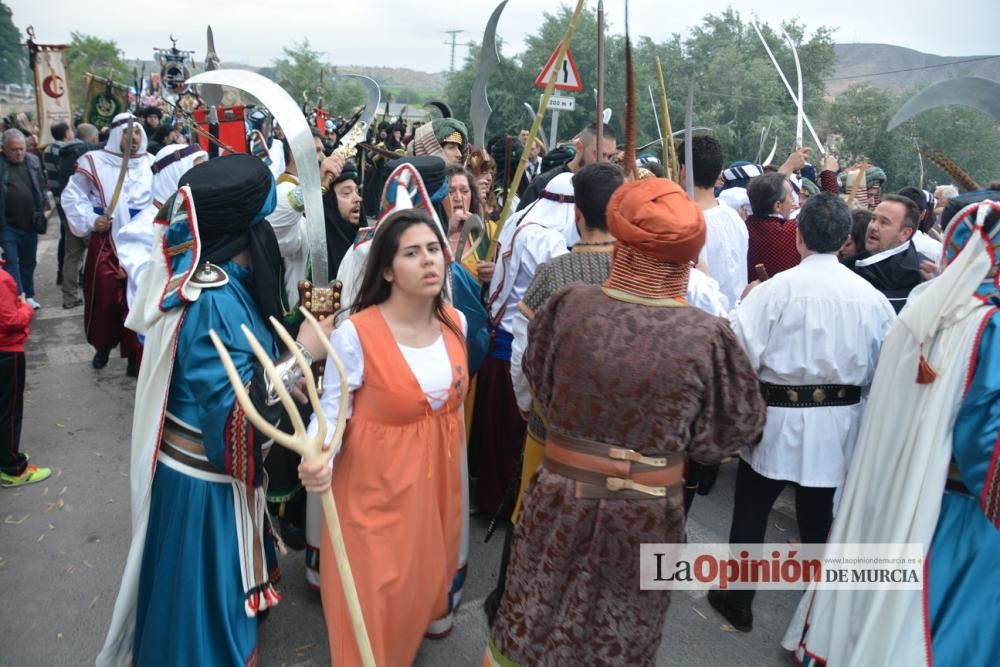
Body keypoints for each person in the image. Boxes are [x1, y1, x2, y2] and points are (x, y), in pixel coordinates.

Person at [486, 178, 766, 666]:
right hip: (648, 512)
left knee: (535, 615)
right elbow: (725, 436)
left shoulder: (567, 307)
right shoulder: (709, 337)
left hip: (560, 495)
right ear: (687, 253)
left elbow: (537, 382)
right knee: (619, 633)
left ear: (622, 238)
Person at [96, 154, 331, 666]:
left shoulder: (223, 281)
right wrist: (306, 353)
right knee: (199, 636)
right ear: (250, 229)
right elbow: (236, 420)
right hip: (202, 491)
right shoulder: (214, 300)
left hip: (210, 482)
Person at [785, 191, 1000, 666]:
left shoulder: (925, 305)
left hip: (894, 470)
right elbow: (985, 433)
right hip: (955, 501)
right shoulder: (990, 326)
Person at [709, 193, 896, 633]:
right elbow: (886, 366)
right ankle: (821, 614)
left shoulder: (776, 290)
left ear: (798, 236)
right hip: (838, 421)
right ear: (845, 239)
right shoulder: (872, 300)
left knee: (753, 509)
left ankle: (739, 600)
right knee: (817, 517)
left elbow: (737, 354)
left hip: (780, 416)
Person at [302, 206, 468, 666]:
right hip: (372, 503)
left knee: (411, 608)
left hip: (433, 502)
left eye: (434, 249)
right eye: (413, 253)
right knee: (367, 619)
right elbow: (331, 414)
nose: (430, 261)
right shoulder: (357, 333)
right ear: (388, 271)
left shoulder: (457, 322)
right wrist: (317, 456)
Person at [475, 173, 580, 517]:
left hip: (500, 341)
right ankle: (505, 507)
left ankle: (493, 500)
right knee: (510, 441)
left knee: (495, 440)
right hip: (516, 349)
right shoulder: (546, 240)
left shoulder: (521, 219)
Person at [62, 113, 153, 374]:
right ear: (115, 135)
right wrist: (91, 219)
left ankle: (135, 354)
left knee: (137, 299)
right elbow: (72, 196)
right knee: (104, 299)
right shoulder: (94, 162)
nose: (132, 138)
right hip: (108, 242)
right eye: (127, 132)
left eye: (137, 132)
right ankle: (103, 346)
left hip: (142, 242)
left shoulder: (152, 163)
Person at [117, 143, 207, 309]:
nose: (205, 180)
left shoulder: (197, 215)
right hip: (159, 324)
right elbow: (150, 285)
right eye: (197, 173)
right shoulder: (137, 231)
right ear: (174, 176)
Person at [678, 135, 748, 309]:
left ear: (683, 170)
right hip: (734, 318)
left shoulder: (686, 224)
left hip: (705, 321)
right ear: (719, 172)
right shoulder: (735, 218)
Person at [0, 246, 49, 487]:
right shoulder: (2, 280)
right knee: (9, 411)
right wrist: (26, 308)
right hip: (7, 352)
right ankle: (12, 468)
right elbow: (10, 320)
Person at [843, 193, 924, 313]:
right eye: (873, 219)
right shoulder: (851, 265)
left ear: (905, 234)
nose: (873, 227)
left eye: (884, 222)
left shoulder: (921, 277)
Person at [516, 123, 616, 211]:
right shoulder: (544, 183)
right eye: (599, 154)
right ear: (579, 147)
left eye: (610, 156)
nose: (605, 163)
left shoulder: (607, 190)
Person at [0, 129, 47, 310]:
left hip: (30, 223)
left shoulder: (32, 161)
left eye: (22, 148)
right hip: (7, 225)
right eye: (14, 149)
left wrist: (40, 211)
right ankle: (18, 297)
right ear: (4, 148)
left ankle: (29, 294)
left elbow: (40, 187)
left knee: (29, 262)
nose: (19, 153)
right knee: (11, 262)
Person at [744, 171, 799, 282]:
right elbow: (828, 211)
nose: (793, 200)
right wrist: (828, 174)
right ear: (778, 205)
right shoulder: (790, 230)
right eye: (790, 195)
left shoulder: (742, 227)